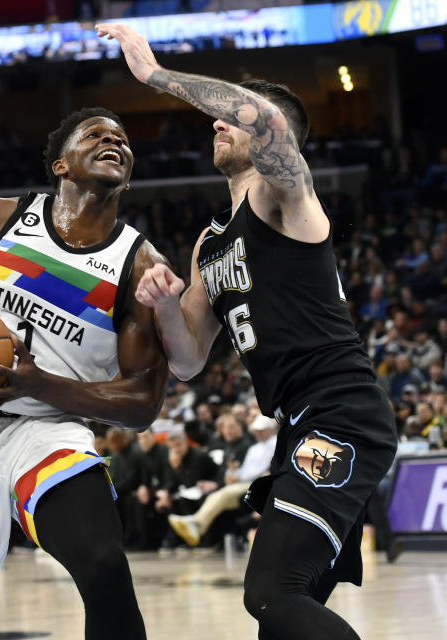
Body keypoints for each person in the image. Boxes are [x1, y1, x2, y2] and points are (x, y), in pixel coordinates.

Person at [98, 23, 398, 639]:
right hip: (299, 421)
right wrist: (162, 303)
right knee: (282, 618)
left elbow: (264, 122)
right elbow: (186, 360)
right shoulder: (210, 245)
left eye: (230, 118)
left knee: (269, 592)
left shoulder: (285, 196)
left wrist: (156, 76)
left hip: (340, 412)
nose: (217, 123)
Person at [0, 107, 169, 639]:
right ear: (61, 165)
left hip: (46, 428)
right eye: (95, 134)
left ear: (129, 173)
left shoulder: (137, 264)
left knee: (103, 563)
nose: (113, 140)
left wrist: (39, 384)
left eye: (122, 139)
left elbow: (142, 402)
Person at [169, 415, 278, 546]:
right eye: (257, 430)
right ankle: (198, 526)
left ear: (270, 429)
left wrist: (237, 476)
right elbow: (245, 470)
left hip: (257, 482)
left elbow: (261, 470)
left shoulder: (275, 443)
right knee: (218, 496)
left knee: (224, 493)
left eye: (262, 429)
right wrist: (234, 473)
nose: (258, 433)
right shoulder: (254, 448)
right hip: (243, 481)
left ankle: (197, 523)